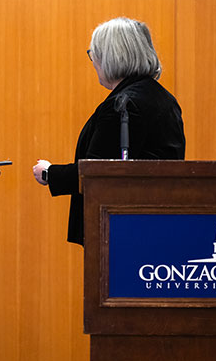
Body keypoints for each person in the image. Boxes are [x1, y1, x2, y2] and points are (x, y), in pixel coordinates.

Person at [32, 17, 185, 246]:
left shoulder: (122, 105)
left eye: (94, 53)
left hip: (123, 231)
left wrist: (49, 173)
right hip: (155, 223)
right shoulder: (162, 98)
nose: (92, 61)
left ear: (111, 56)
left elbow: (102, 173)